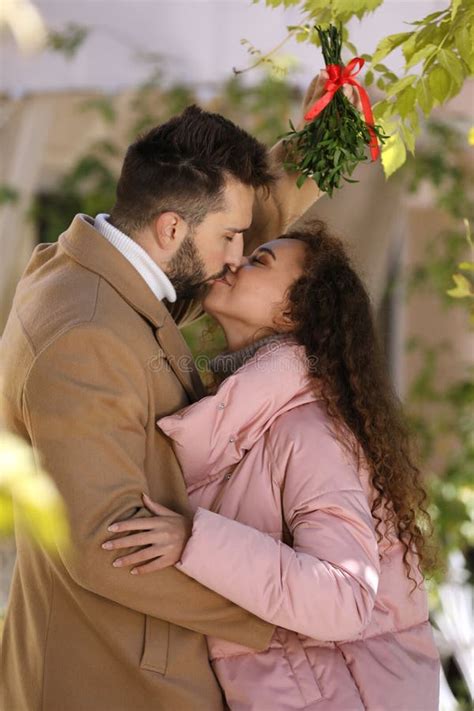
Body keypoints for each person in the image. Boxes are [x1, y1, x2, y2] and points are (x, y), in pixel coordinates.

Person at [0, 70, 353, 711]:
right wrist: (278, 616)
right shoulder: (86, 335)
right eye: (230, 240)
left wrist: (323, 140)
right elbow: (102, 545)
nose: (238, 258)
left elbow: (240, 226)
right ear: (170, 229)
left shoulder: (102, 271)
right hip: (112, 678)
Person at [104, 222, 441, 710]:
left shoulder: (308, 431)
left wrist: (194, 540)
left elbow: (343, 599)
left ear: (294, 310)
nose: (235, 260)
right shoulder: (248, 419)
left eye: (260, 260)